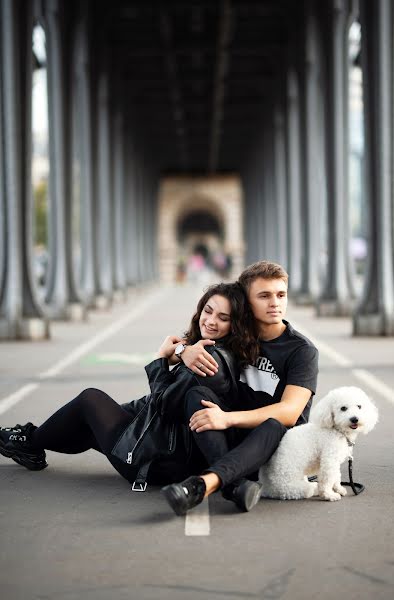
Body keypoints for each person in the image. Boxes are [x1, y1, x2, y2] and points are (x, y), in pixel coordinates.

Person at [0, 283, 258, 495]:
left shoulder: (207, 359)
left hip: (161, 460)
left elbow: (162, 406)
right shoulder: (216, 351)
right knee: (90, 425)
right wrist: (181, 351)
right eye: (208, 311)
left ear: (235, 324)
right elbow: (164, 401)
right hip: (171, 450)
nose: (211, 321)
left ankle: (28, 440)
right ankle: (29, 445)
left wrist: (161, 359)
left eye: (223, 318)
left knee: (90, 400)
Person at [161, 260, 319, 516]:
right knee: (198, 395)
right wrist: (184, 351)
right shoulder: (237, 334)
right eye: (264, 296)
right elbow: (169, 350)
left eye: (281, 295)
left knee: (273, 422)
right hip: (236, 442)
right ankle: (234, 486)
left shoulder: (302, 350)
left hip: (276, 444)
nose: (275, 303)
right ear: (246, 302)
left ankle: (202, 485)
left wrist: (226, 419)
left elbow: (289, 412)